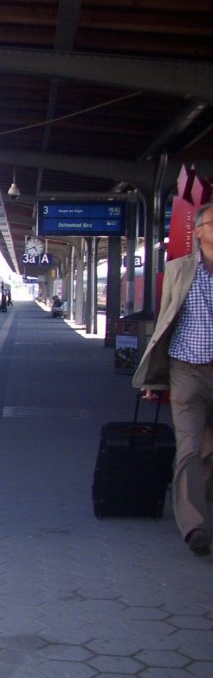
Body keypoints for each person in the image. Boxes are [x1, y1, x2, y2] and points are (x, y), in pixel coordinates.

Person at [133, 201, 213, 556]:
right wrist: (154, 378)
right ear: (197, 231)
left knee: (208, 454)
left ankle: (200, 507)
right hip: (186, 370)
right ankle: (194, 527)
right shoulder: (178, 270)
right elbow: (165, 324)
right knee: (190, 449)